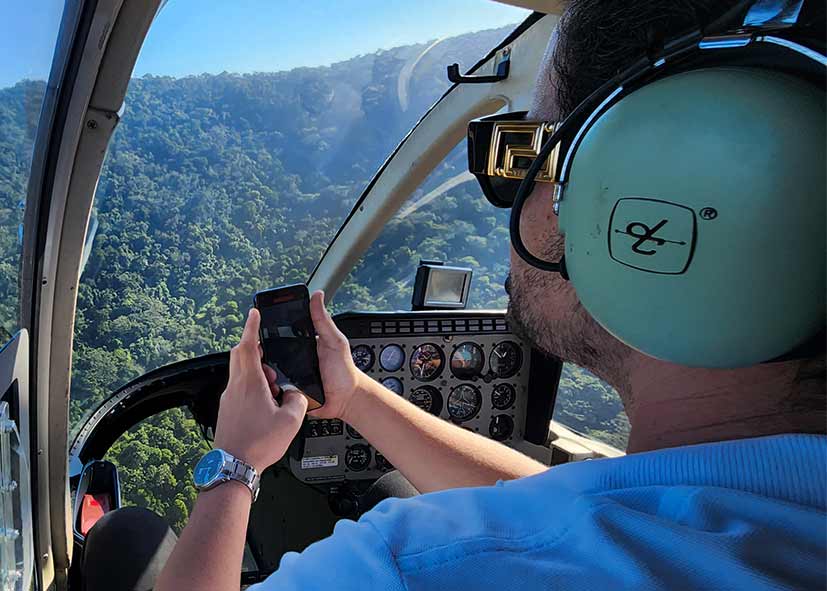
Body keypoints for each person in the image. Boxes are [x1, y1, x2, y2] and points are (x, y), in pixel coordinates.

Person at [156, 2, 827, 590]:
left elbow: (546, 527)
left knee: (130, 534)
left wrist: (236, 461)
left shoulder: (417, 566)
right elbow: (563, 504)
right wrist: (356, 395)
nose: (510, 199)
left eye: (529, 155)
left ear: (643, 206)